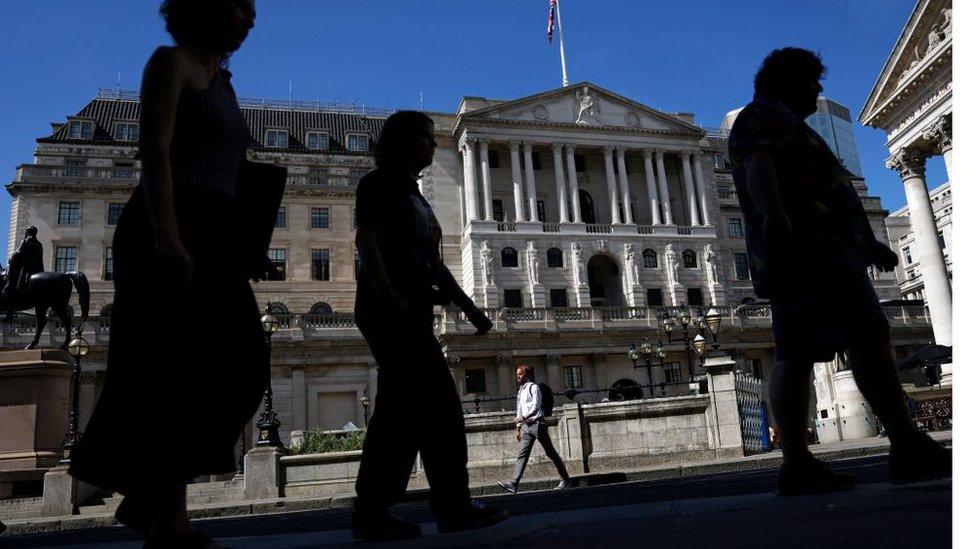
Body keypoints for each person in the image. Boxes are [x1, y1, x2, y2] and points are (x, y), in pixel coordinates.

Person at [69, 1, 270, 546]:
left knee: (244, 363)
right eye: (237, 6)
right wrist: (167, 236)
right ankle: (168, 519)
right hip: (169, 222)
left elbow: (232, 172)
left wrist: (248, 246)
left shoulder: (224, 82)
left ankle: (152, 495)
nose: (248, 17)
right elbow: (154, 153)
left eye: (251, 10)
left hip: (216, 233)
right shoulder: (171, 62)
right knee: (166, 372)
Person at [728, 47, 950, 496]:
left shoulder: (790, 125)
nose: (818, 91)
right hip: (809, 252)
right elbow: (760, 168)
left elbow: (829, 194)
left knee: (823, 347)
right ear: (789, 82)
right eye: (813, 82)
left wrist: (868, 244)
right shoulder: (762, 117)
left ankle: (812, 460)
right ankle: (894, 443)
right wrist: (777, 218)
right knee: (854, 341)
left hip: (824, 250)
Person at [351, 111, 507, 541]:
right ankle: (450, 506)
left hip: (413, 310)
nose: (428, 145)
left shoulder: (417, 197)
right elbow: (366, 244)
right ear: (399, 141)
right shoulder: (377, 184)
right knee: (439, 407)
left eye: (428, 138)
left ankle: (373, 511)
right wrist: (390, 296)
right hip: (389, 312)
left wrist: (469, 308)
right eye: (421, 138)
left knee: (399, 414)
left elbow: (434, 264)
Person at [498, 365, 572, 494]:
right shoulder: (521, 391)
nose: (517, 377)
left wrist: (524, 417)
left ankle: (565, 479)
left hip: (538, 425)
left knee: (551, 453)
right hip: (526, 426)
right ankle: (514, 484)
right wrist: (518, 427)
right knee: (522, 455)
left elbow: (536, 407)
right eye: (517, 375)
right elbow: (519, 409)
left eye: (520, 374)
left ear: (526, 375)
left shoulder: (534, 387)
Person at [2, 226, 44, 299]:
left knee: (12, 264)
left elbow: (18, 253)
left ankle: (9, 286)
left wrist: (11, 259)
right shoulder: (39, 244)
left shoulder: (26, 240)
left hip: (27, 266)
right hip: (37, 268)